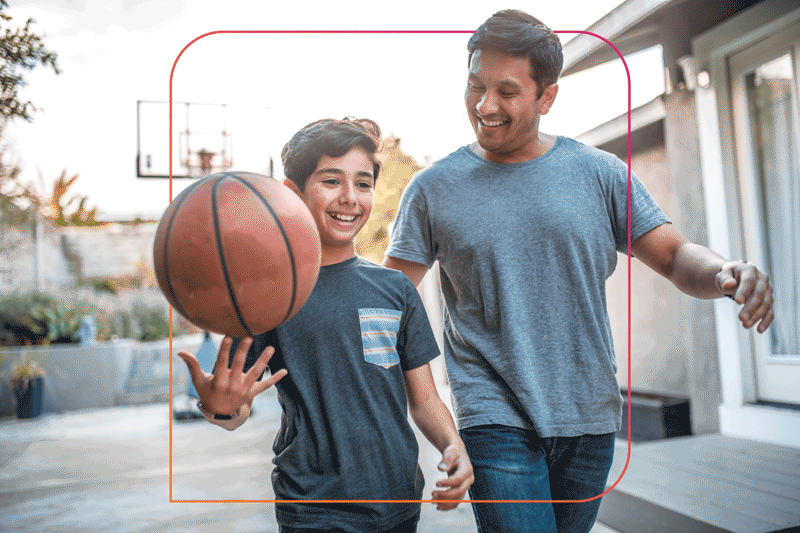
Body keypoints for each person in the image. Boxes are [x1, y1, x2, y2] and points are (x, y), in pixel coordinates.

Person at [382, 9, 774, 533]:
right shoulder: (433, 190)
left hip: (587, 413)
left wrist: (727, 270)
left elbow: (676, 256)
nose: (484, 105)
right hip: (491, 415)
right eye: (475, 86)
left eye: (506, 91)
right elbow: (388, 301)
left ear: (547, 97)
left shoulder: (600, 175)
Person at [178, 117, 473, 533]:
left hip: (399, 502)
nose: (350, 198)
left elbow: (423, 400)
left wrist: (452, 443)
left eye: (364, 183)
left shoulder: (394, 289)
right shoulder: (267, 296)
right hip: (313, 509)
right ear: (292, 193)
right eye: (331, 181)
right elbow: (236, 408)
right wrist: (218, 405)